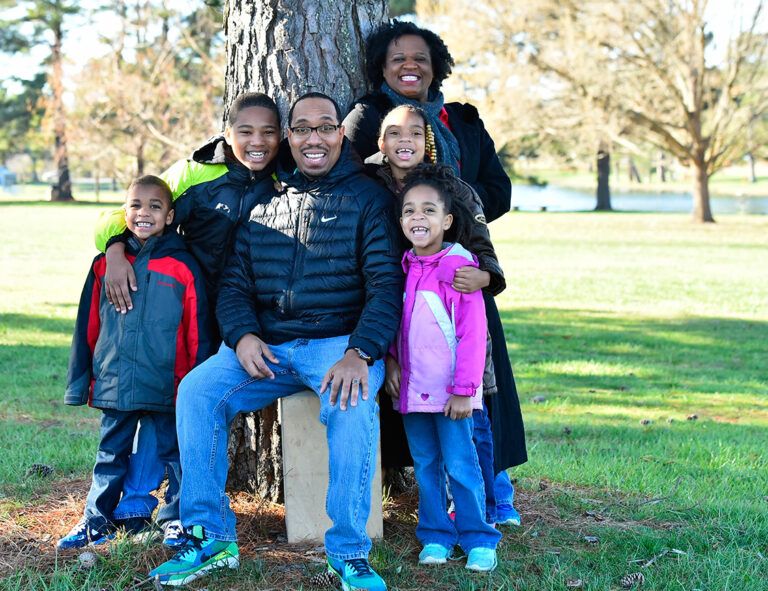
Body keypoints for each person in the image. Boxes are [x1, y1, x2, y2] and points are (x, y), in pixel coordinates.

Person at [148, 92, 403, 591]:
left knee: (352, 410)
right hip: (267, 346)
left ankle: (349, 552)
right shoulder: (268, 200)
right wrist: (242, 336)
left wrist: (361, 352)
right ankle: (210, 539)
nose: (314, 138)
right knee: (198, 391)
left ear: (340, 135)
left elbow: (385, 287)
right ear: (290, 137)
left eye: (325, 127)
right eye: (302, 129)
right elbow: (235, 285)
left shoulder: (369, 200)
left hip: (339, 345)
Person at [344, 20, 527, 525]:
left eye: (420, 57)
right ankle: (439, 495)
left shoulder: (461, 121)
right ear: (381, 66)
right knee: (420, 396)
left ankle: (494, 495)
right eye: (398, 57)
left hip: (460, 277)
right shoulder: (368, 117)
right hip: (397, 279)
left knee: (479, 391)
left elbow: (499, 190)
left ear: (436, 65)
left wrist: (445, 216)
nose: (410, 66)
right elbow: (354, 180)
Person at [92, 93, 283, 545]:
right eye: (246, 132)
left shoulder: (287, 175)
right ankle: (141, 499)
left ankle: (185, 506)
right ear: (226, 131)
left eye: (268, 132)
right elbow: (128, 214)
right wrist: (115, 248)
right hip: (194, 312)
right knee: (167, 405)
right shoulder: (196, 173)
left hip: (257, 319)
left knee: (196, 408)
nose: (257, 142)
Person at [57, 176, 211, 550]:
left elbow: (197, 329)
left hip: (167, 383)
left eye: (155, 207)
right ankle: (97, 520)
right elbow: (87, 325)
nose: (144, 213)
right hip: (115, 381)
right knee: (110, 455)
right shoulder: (103, 266)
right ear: (124, 213)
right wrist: (80, 382)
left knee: (175, 455)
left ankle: (176, 521)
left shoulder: (183, 266)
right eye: (136, 206)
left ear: (170, 215)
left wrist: (196, 384)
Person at [387, 164, 502, 571]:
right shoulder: (403, 268)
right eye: (409, 211)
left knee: (461, 465)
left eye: (429, 210)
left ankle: (478, 537)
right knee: (427, 466)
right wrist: (391, 361)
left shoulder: (460, 268)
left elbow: (472, 336)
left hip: (453, 395)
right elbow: (400, 325)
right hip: (413, 391)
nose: (418, 218)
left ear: (448, 220)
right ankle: (436, 534)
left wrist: (464, 390)